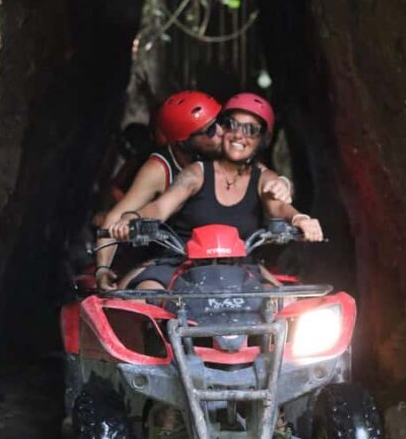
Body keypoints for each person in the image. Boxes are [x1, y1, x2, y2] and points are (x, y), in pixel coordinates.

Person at [109, 93, 322, 293]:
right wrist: (133, 218)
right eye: (232, 125)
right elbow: (160, 207)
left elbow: (279, 206)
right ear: (223, 129)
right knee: (148, 293)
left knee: (284, 303)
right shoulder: (196, 173)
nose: (239, 134)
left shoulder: (263, 178)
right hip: (181, 266)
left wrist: (300, 219)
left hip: (240, 269)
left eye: (250, 130)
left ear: (262, 140)